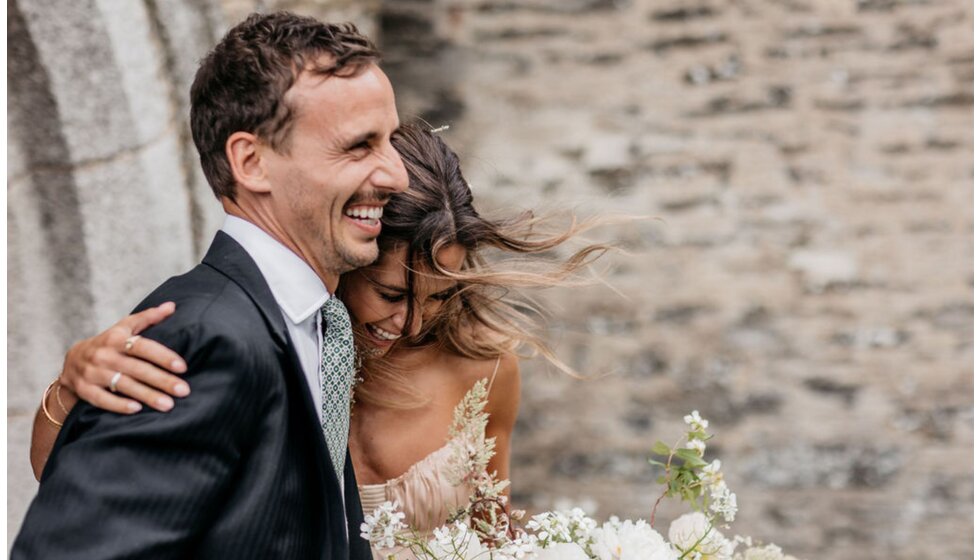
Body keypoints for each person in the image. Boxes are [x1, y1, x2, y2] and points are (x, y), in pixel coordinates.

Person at [29, 124, 611, 558]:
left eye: (437, 298)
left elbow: (491, 531)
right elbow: (63, 474)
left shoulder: (483, 369)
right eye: (390, 294)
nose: (411, 323)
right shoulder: (261, 345)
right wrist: (71, 385)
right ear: (349, 255)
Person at [14, 12, 408, 560]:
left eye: (391, 140)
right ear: (251, 162)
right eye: (359, 146)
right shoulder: (202, 342)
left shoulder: (314, 323)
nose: (397, 175)